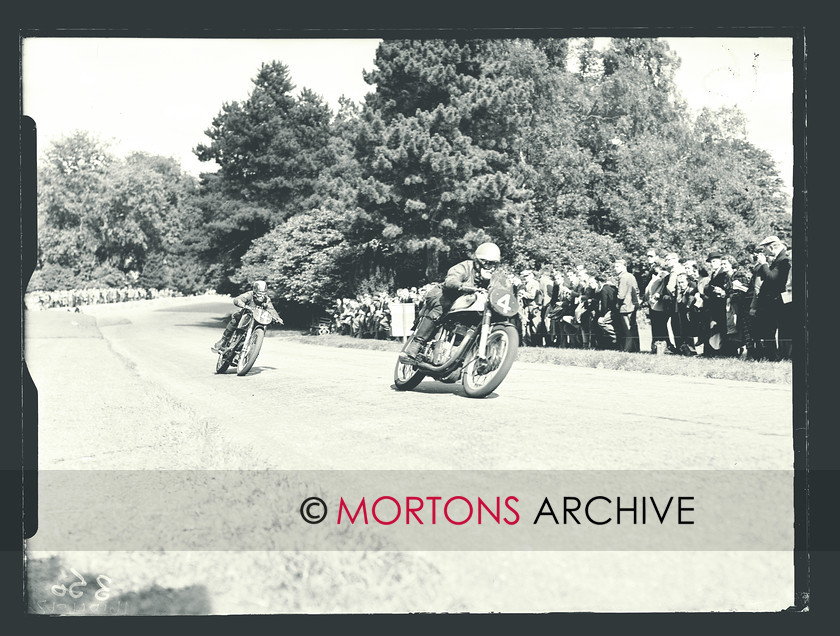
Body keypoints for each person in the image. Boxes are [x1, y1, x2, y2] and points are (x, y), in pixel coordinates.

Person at [399, 242, 502, 363]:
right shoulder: (465, 267)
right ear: (479, 261)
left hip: (468, 304)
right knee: (442, 306)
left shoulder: (494, 277)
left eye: (495, 264)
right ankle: (416, 344)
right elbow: (451, 280)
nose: (492, 267)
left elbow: (501, 289)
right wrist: (461, 285)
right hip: (445, 294)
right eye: (488, 263)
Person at [212, 280, 283, 352]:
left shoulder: (267, 299)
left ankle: (254, 345)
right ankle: (223, 340)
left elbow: (271, 309)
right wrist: (244, 305)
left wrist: (277, 318)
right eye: (259, 294)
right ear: (255, 291)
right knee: (236, 317)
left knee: (264, 326)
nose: (261, 296)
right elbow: (237, 299)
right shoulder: (249, 294)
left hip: (258, 319)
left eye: (263, 293)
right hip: (245, 315)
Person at [752, 235, 791, 361]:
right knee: (769, 330)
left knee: (771, 330)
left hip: (775, 301)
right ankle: (772, 356)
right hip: (771, 301)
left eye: (765, 249)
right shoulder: (779, 259)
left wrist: (763, 264)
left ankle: (774, 357)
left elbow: (773, 279)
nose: (764, 252)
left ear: (771, 247)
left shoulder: (783, 260)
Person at [614, 258, 641, 352]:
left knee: (627, 330)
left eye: (617, 266)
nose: (615, 268)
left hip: (625, 306)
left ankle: (627, 349)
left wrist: (617, 304)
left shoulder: (623, 277)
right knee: (633, 329)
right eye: (615, 266)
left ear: (624, 266)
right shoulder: (631, 276)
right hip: (632, 306)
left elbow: (621, 294)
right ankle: (636, 349)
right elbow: (637, 290)